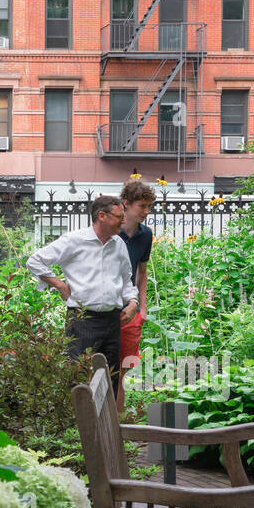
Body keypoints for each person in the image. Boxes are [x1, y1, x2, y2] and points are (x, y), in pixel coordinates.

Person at [27, 195, 140, 381]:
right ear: (102, 216)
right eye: (119, 216)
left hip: (113, 320)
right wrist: (60, 285)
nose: (123, 221)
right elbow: (35, 261)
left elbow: (126, 280)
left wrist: (133, 302)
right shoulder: (74, 241)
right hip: (82, 321)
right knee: (80, 380)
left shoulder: (119, 244)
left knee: (110, 379)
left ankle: (105, 412)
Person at [117, 178, 157, 416]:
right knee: (101, 366)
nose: (146, 211)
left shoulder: (145, 235)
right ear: (126, 204)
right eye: (142, 206)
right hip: (108, 306)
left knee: (124, 367)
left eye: (148, 206)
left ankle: (118, 421)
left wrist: (142, 308)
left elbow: (142, 272)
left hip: (131, 309)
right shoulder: (111, 232)